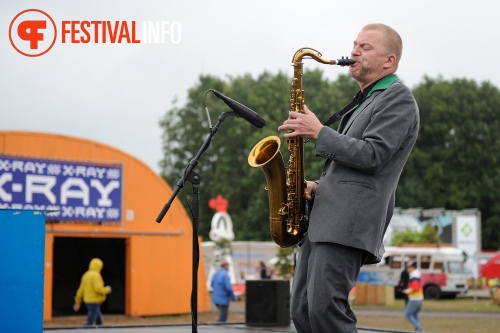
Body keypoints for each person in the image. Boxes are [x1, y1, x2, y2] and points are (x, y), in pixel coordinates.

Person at [278, 23, 419, 333]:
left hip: (347, 222)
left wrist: (319, 132)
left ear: (389, 61)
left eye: (365, 47)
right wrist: (316, 186)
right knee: (302, 310)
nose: (354, 50)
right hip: (326, 219)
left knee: (326, 309)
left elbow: (372, 156)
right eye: (355, 44)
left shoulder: (398, 99)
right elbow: (348, 168)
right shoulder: (366, 99)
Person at [73, 258, 112, 326]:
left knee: (99, 321)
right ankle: (82, 330)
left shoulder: (86, 275)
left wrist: (78, 301)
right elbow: (98, 289)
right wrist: (107, 289)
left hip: (88, 301)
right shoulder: (96, 276)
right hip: (94, 301)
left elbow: (81, 290)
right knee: (90, 321)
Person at [404, 261, 424, 331]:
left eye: (408, 267)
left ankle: (419, 327)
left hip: (415, 299)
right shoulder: (416, 274)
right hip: (419, 298)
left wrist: (407, 291)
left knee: (408, 315)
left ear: (412, 267)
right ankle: (418, 329)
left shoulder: (414, 275)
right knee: (415, 314)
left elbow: (415, 288)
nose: (406, 269)